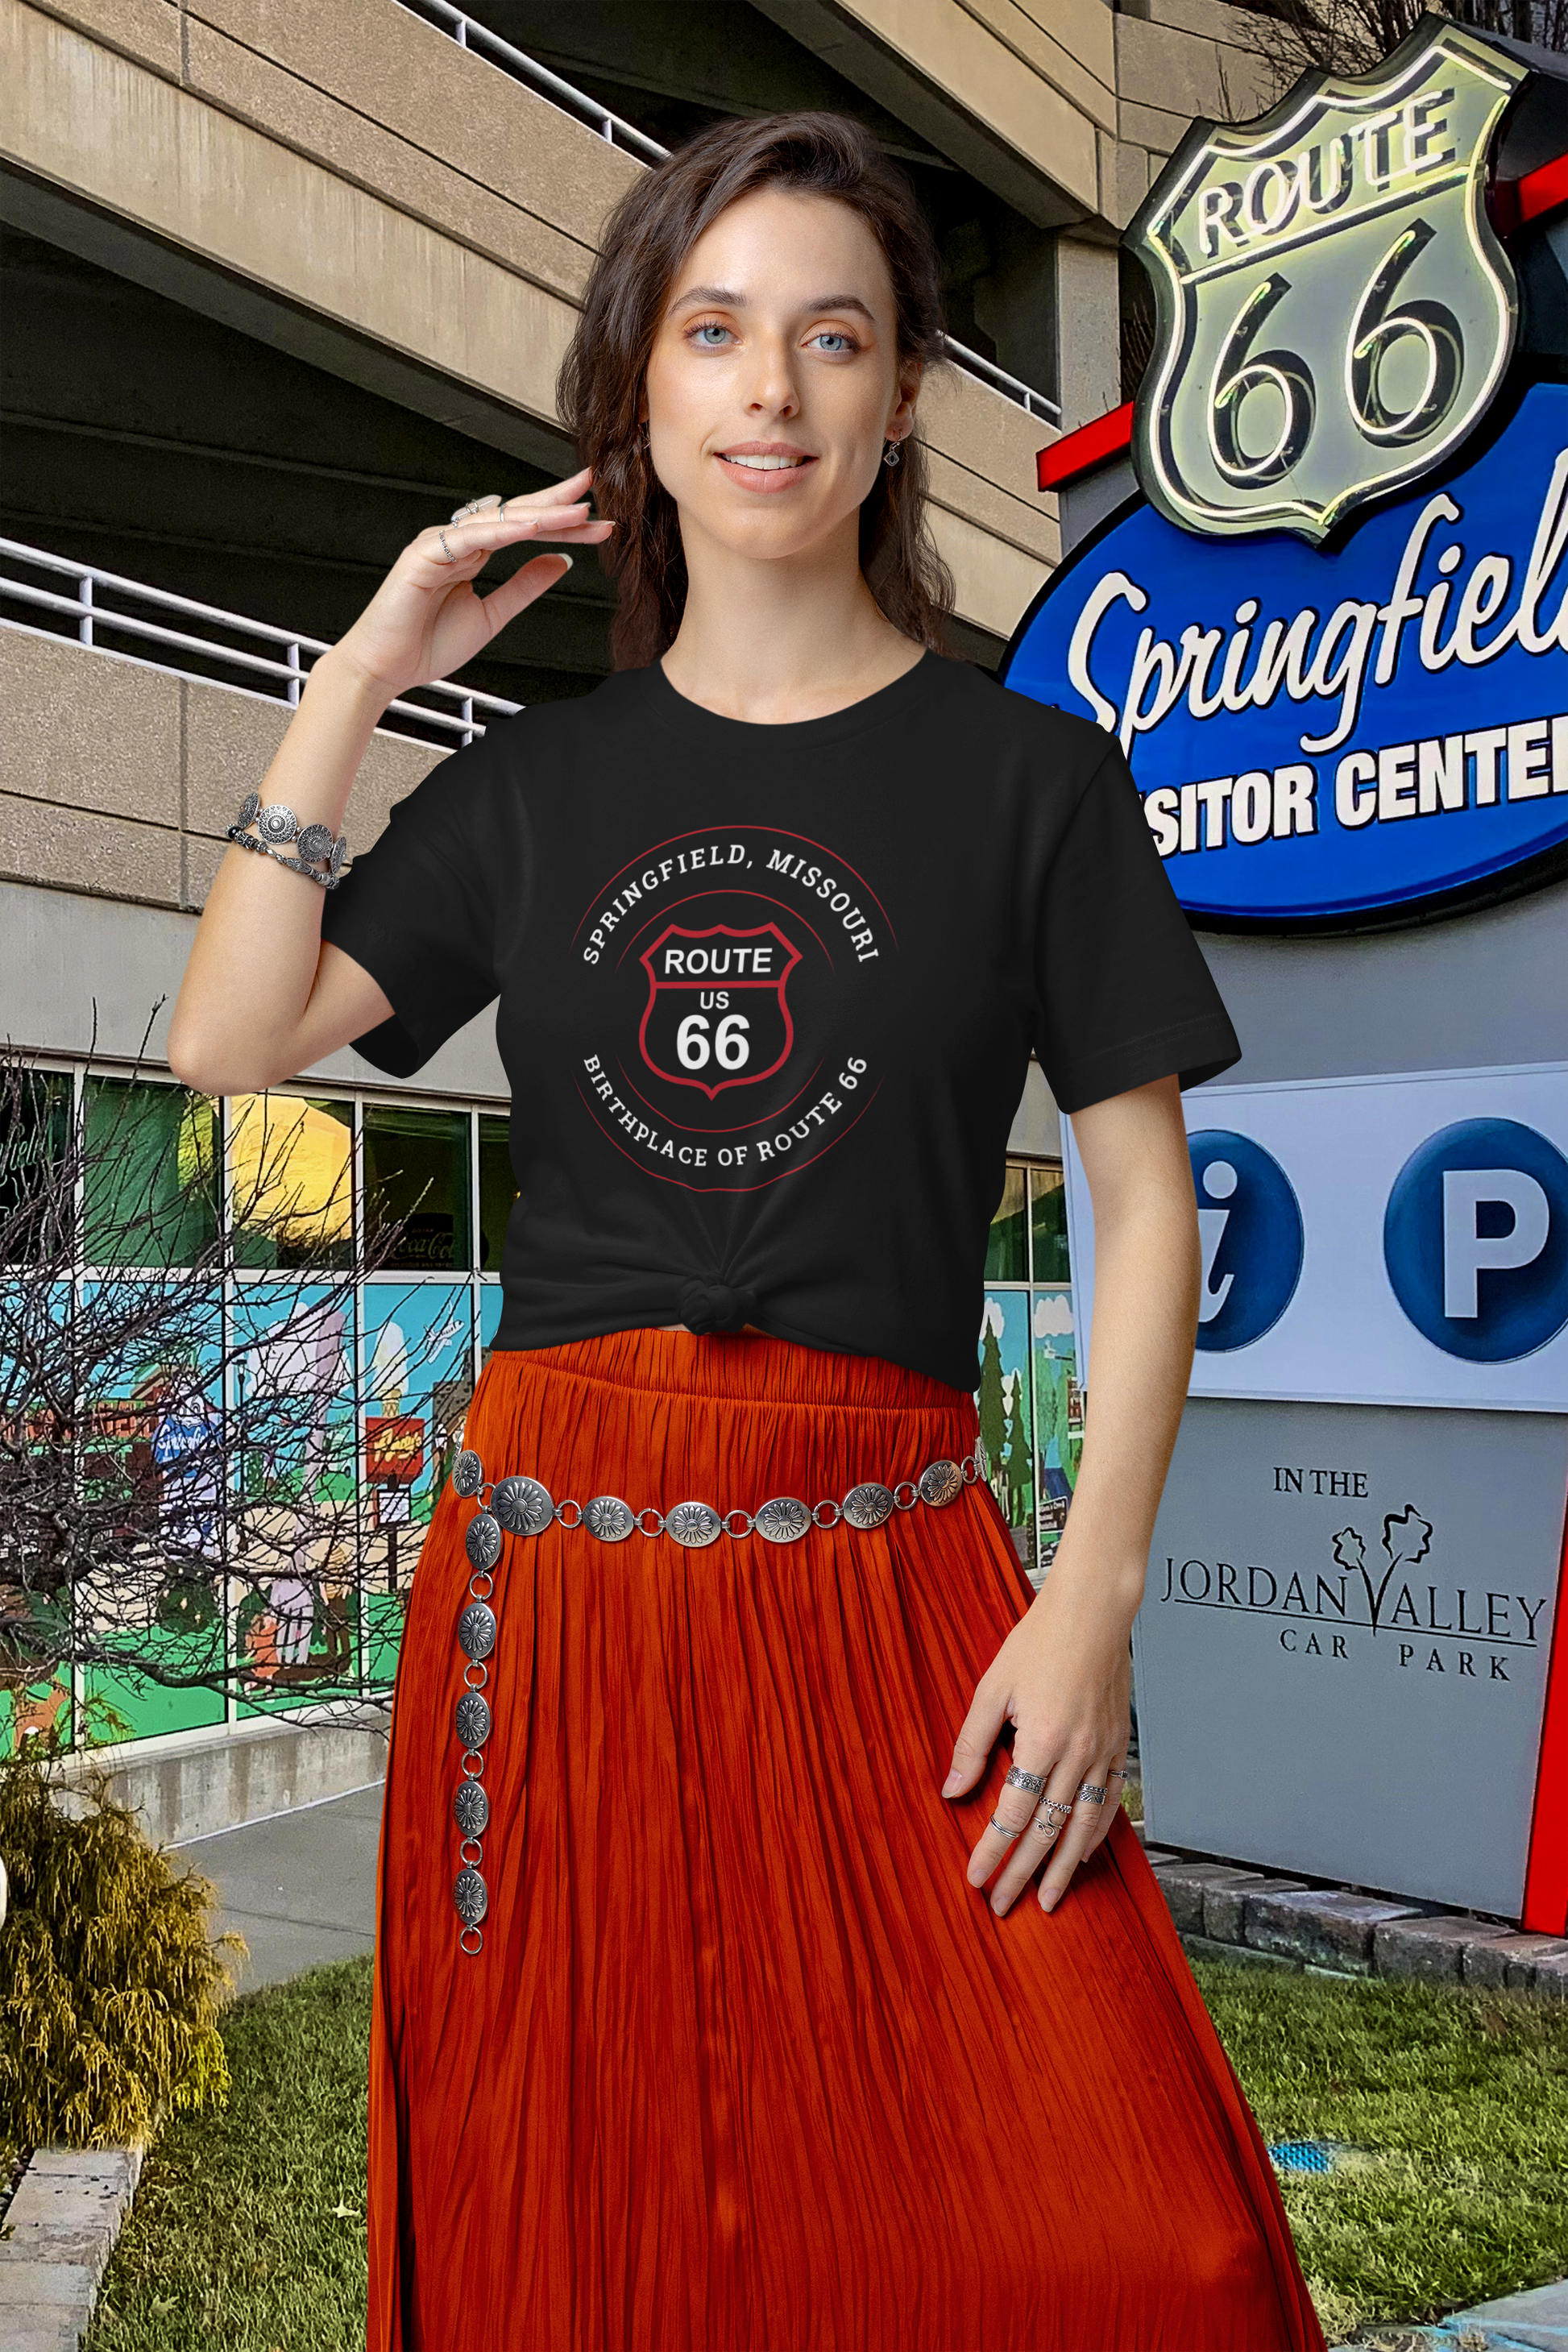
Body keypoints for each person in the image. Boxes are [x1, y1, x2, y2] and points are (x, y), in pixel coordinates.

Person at [168, 110, 1324, 2352]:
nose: (770, 391)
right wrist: (372, 656)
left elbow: (1147, 1198)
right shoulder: (534, 789)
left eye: (830, 339)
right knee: (588, 2247)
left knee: (1145, 2247)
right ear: (645, 400)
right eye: (715, 335)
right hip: (552, 1598)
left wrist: (1093, 1598)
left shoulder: (1031, 785)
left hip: (900, 1569)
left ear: (897, 404)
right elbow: (230, 1037)